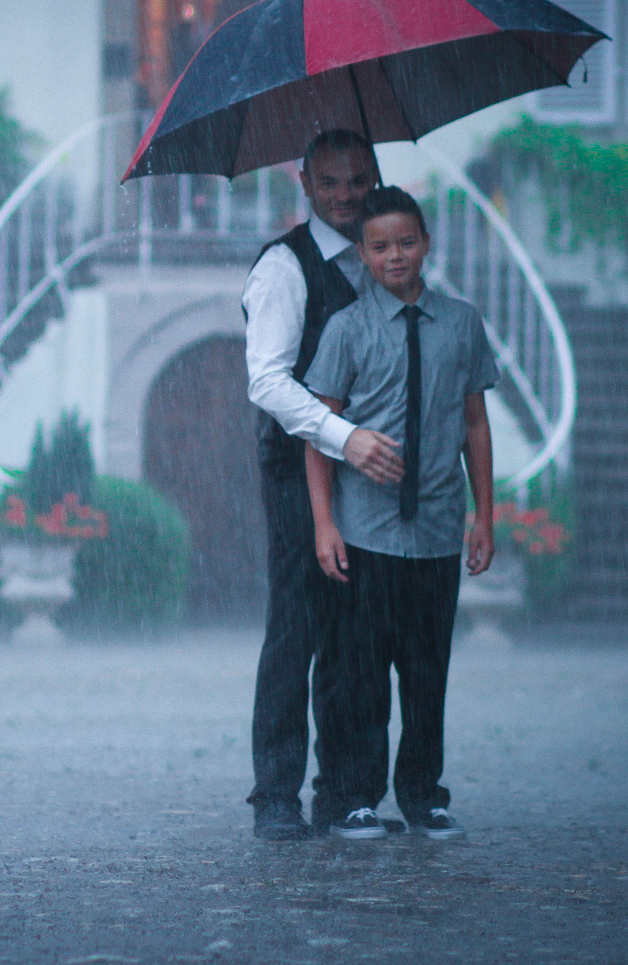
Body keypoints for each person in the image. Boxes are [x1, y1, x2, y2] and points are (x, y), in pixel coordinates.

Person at [302, 185, 498, 842]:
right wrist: (324, 524)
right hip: (364, 531)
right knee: (359, 673)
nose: (395, 256)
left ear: (426, 244)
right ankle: (355, 796)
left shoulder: (462, 323)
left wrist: (484, 515)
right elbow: (319, 433)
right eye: (380, 246)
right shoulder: (346, 329)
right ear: (361, 254)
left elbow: (474, 421)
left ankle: (422, 795)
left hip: (438, 529)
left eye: (406, 243)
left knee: (424, 673)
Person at [241, 129, 404, 841]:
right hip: (296, 467)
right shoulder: (283, 266)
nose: (345, 195)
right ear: (303, 183)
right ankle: (275, 794)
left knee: (361, 633)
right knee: (298, 627)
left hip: (373, 472)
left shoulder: (382, 259)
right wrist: (342, 437)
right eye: (331, 181)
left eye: (358, 179)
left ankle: (347, 793)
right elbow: (267, 381)